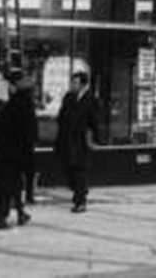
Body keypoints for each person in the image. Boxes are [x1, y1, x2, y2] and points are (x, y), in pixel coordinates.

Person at [0, 67, 38, 229]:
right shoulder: (27, 104)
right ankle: (20, 213)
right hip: (20, 152)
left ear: (13, 86)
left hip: (6, 152)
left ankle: (2, 216)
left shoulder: (11, 105)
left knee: (5, 183)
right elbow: (31, 131)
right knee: (16, 183)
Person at [55, 69, 101, 212]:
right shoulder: (68, 97)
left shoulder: (91, 100)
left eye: (75, 82)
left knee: (80, 170)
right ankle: (80, 191)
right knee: (68, 170)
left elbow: (94, 122)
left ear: (83, 85)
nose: (72, 85)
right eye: (72, 82)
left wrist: (95, 139)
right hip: (67, 139)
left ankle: (80, 201)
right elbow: (61, 116)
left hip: (81, 140)